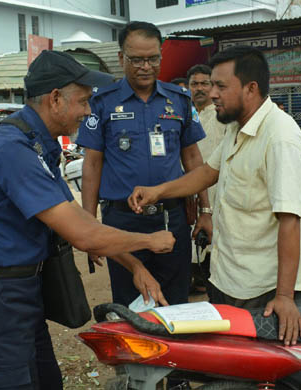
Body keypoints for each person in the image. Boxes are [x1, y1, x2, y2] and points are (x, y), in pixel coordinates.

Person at [0, 50, 175, 390]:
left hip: (16, 291)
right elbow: (84, 235)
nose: (88, 110)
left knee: (46, 380)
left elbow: (78, 219)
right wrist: (149, 241)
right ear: (55, 99)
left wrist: (135, 266)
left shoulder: (37, 144)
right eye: (83, 101)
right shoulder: (12, 150)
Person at [129, 45, 301, 346]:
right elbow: (207, 173)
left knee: (256, 369)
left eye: (220, 86)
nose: (212, 93)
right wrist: (157, 192)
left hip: (261, 290)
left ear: (251, 88)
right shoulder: (237, 127)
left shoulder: (280, 139)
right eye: (211, 84)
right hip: (227, 276)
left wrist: (284, 296)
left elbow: (289, 221)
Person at [76, 21, 212, 308]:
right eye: (137, 59)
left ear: (160, 57)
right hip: (122, 221)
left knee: (175, 303)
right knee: (130, 308)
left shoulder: (179, 100)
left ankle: (173, 355)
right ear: (121, 58)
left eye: (153, 59)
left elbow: (193, 159)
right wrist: (89, 226)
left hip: (171, 218)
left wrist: (205, 210)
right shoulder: (102, 103)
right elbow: (92, 167)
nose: (145, 66)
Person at [186, 64, 227, 293]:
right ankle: (196, 279)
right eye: (195, 84)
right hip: (192, 188)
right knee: (194, 236)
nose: (199, 88)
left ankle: (209, 282)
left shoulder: (222, 117)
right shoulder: (187, 115)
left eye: (204, 83)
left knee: (217, 238)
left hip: (217, 188)